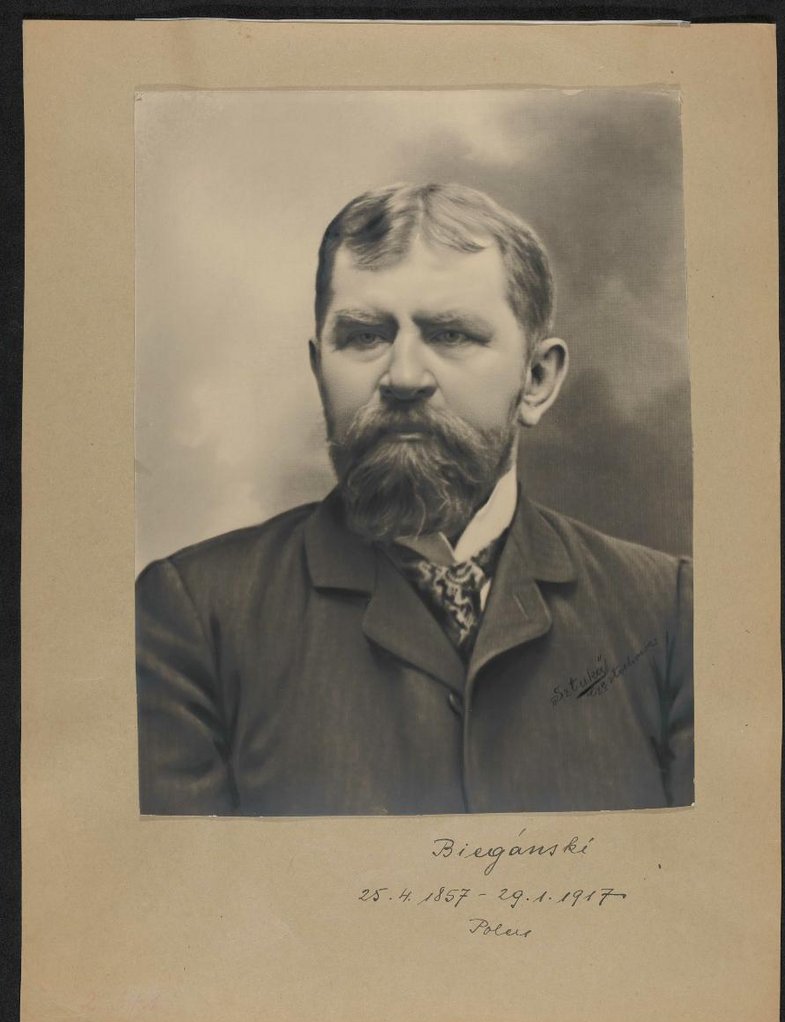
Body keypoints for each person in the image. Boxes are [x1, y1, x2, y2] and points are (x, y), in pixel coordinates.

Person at [136, 182, 693, 816]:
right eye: (364, 337)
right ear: (320, 370)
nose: (403, 376)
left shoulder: (669, 613)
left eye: (451, 334)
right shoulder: (193, 617)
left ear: (536, 379)